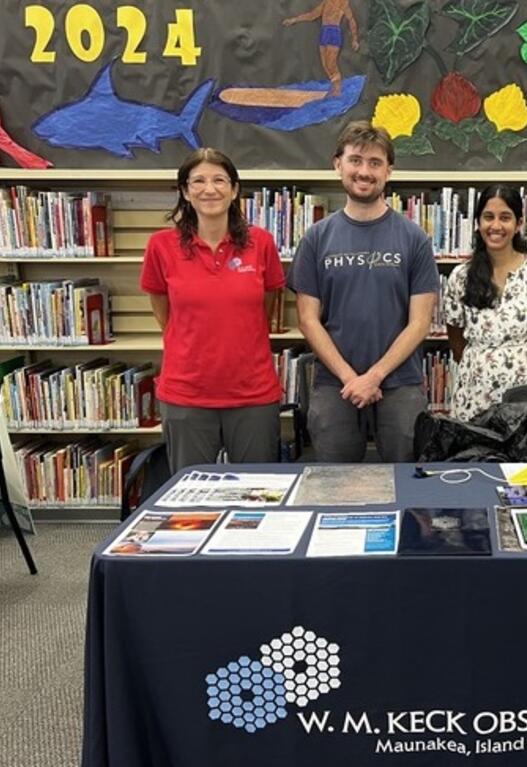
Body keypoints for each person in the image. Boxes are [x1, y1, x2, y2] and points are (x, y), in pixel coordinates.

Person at [288, 120, 440, 462]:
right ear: (337, 163)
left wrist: (374, 376)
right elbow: (308, 320)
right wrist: (350, 377)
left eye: (375, 163)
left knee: (405, 480)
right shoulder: (315, 238)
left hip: (400, 381)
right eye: (356, 160)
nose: (364, 171)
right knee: (336, 485)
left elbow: (420, 323)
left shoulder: (414, 238)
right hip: (334, 382)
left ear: (389, 171)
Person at [140, 148, 285, 473]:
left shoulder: (261, 243)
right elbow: (164, 312)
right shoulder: (161, 246)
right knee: (192, 501)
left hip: (253, 395)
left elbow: (267, 303)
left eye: (219, 180)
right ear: (185, 191)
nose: (210, 189)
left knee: (259, 496)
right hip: (186, 395)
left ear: (234, 190)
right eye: (199, 181)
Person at [444, 185, 527, 421]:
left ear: (519, 224)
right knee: (476, 453)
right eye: (488, 217)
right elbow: (455, 335)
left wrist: (525, 362)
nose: (496, 226)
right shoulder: (461, 276)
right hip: (476, 393)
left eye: (505, 218)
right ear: (478, 222)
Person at [283, 0, 360, 97]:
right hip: (324, 32)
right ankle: (334, 88)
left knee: (331, 64)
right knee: (325, 65)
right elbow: (312, 15)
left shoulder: (343, 2)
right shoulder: (326, 2)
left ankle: (338, 90)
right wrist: (294, 20)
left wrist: (355, 39)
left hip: (333, 31)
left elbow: (351, 20)